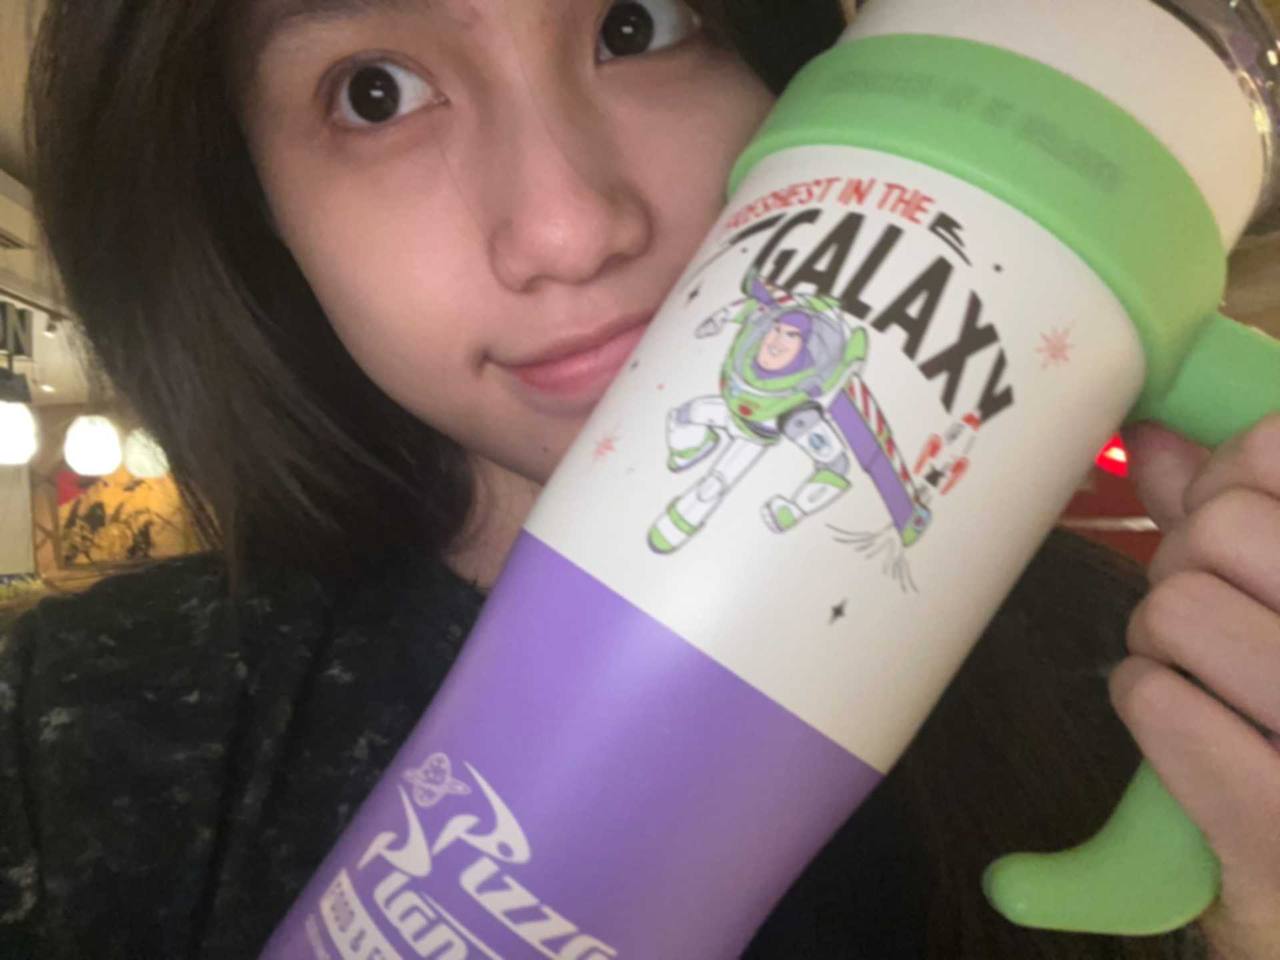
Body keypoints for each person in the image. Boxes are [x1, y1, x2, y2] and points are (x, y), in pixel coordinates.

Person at [2, 0, 1278, 957]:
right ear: (255, 205)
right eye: (373, 93)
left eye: (636, 23)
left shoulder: (1160, 688)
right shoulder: (90, 735)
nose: (568, 227)